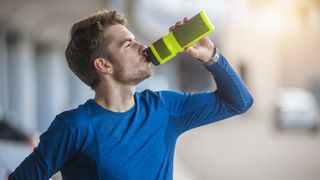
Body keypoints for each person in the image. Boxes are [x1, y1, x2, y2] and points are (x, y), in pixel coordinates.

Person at [9, 9, 253, 180]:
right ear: (104, 65)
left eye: (135, 39)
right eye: (128, 44)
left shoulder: (164, 108)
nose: (143, 47)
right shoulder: (73, 127)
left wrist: (212, 58)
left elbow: (239, 102)